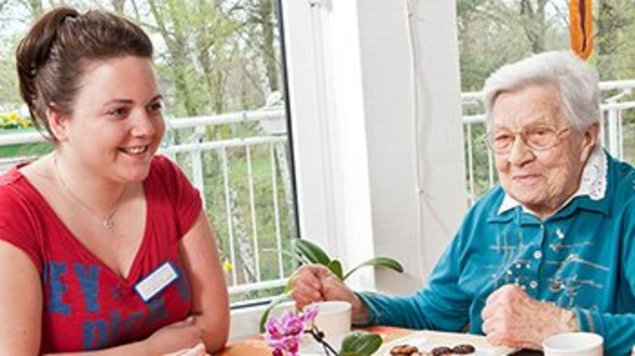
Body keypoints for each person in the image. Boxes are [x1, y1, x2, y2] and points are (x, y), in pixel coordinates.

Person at [290, 50, 635, 355]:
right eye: (503, 138)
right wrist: (359, 306)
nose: (517, 156)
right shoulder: (489, 213)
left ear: (586, 137)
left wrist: (562, 325)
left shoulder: (626, 202)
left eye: (539, 135)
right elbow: (431, 313)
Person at [0, 6, 229, 355]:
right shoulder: (14, 211)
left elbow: (213, 329)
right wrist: (152, 350)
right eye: (119, 111)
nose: (147, 129)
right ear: (60, 121)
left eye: (153, 107)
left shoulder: (167, 182)